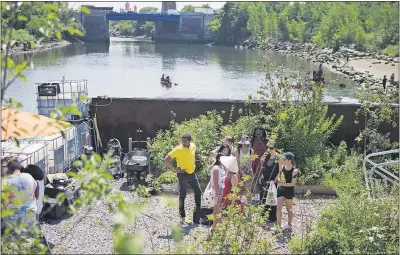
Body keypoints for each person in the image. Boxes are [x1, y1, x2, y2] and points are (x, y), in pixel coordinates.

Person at [164, 133, 202, 224]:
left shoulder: (193, 146)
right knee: (183, 195)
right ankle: (182, 217)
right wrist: (175, 169)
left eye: (185, 140)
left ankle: (197, 216)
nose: (183, 142)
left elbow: (192, 154)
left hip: (192, 173)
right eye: (182, 140)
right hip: (182, 174)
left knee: (198, 191)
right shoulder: (178, 149)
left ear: (190, 141)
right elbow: (165, 160)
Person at [1, 157, 38, 236]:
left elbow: (5, 202)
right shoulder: (29, 176)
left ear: (9, 169)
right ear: (20, 167)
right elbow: (36, 189)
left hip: (14, 218)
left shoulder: (6, 181)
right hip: (31, 213)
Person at [274, 152, 299, 233]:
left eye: (285, 159)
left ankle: (289, 224)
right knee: (278, 207)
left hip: (289, 191)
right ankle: (278, 226)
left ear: (290, 160)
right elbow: (279, 177)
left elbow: (292, 183)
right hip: (281, 190)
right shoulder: (282, 167)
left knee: (289, 209)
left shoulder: (294, 170)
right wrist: (278, 180)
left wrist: (283, 183)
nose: (283, 160)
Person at [259, 142, 280, 225]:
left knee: (272, 197)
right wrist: (264, 154)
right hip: (265, 178)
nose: (269, 150)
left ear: (275, 148)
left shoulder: (278, 157)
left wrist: (275, 180)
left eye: (271, 148)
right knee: (263, 196)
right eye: (268, 148)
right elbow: (261, 162)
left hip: (273, 180)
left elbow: (280, 171)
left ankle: (272, 217)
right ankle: (263, 215)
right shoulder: (266, 156)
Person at [250, 127, 268, 202]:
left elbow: (269, 150)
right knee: (255, 179)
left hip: (264, 161)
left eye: (260, 132)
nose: (258, 134)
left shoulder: (266, 141)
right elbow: (250, 151)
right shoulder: (252, 140)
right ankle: (257, 196)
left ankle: (264, 195)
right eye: (257, 132)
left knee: (262, 179)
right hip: (255, 161)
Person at [234, 136, 253, 204]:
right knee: (238, 189)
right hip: (239, 171)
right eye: (245, 144)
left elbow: (251, 162)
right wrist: (242, 172)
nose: (246, 146)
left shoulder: (251, 151)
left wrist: (247, 171)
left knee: (248, 190)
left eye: (247, 144)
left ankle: (249, 205)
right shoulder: (237, 151)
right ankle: (239, 205)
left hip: (248, 171)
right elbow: (238, 163)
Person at [211, 153, 226, 229]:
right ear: (219, 160)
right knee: (217, 210)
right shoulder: (216, 168)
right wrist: (219, 194)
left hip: (221, 189)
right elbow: (215, 183)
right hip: (217, 190)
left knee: (217, 209)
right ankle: (214, 228)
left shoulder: (222, 167)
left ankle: (215, 227)